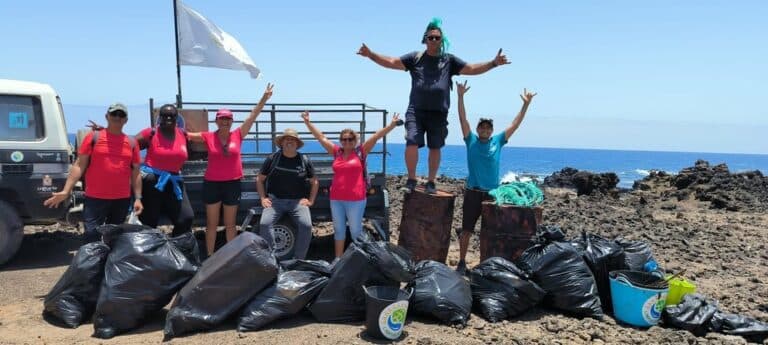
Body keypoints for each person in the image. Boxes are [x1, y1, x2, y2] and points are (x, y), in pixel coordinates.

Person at [357, 17, 510, 194]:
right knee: (412, 142)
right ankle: (411, 179)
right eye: (431, 37)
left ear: (442, 40)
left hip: (439, 112)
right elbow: (391, 62)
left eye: (437, 38)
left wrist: (493, 63)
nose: (434, 40)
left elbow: (472, 68)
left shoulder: (449, 61)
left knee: (435, 146)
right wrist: (371, 55)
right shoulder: (415, 58)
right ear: (425, 39)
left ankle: (431, 181)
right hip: (416, 110)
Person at [454, 81, 536, 275]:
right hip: (473, 192)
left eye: (487, 127)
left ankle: (487, 264)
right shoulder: (471, 140)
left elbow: (514, 124)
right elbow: (462, 119)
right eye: (481, 127)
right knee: (466, 229)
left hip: (492, 195)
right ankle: (462, 262)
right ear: (477, 129)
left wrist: (525, 104)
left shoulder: (498, 141)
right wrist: (460, 96)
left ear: (491, 130)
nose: (484, 130)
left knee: (491, 232)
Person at [187, 83, 274, 256]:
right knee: (211, 225)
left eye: (228, 118)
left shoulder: (238, 134)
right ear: (216, 121)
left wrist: (264, 98)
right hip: (212, 184)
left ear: (231, 121)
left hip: (232, 184)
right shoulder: (208, 136)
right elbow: (185, 135)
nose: (225, 121)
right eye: (222, 118)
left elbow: (253, 116)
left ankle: (231, 259)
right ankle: (210, 257)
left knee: (230, 225)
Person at [302, 111, 401, 259]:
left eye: (350, 139)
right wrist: (308, 123)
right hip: (336, 199)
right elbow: (321, 137)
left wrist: (392, 125)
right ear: (341, 140)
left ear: (355, 140)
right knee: (339, 230)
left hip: (356, 199)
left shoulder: (361, 151)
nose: (347, 142)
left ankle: (359, 261)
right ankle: (338, 260)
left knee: (356, 231)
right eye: (344, 139)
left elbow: (376, 137)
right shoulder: (336, 152)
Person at [43, 103, 143, 242]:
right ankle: (93, 263)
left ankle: (108, 263)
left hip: (121, 199)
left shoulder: (132, 142)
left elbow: (136, 172)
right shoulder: (93, 137)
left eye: (121, 115)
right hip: (95, 198)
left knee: (114, 238)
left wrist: (138, 198)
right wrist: (66, 191)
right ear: (107, 116)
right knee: (91, 236)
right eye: (114, 114)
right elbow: (78, 165)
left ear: (126, 120)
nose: (117, 117)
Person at [256, 128, 319, 260]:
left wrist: (311, 201)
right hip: (275, 201)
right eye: (287, 139)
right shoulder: (273, 158)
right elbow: (259, 179)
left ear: (297, 143)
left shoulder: (304, 159)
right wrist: (263, 198)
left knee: (306, 226)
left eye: (293, 140)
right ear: (282, 143)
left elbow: (314, 182)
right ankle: (271, 258)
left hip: (298, 202)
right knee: (264, 224)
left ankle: (298, 259)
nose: (290, 142)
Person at [134, 104, 194, 237]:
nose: (168, 118)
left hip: (174, 181)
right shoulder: (151, 133)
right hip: (152, 181)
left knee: (186, 218)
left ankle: (173, 247)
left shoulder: (183, 135)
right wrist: (139, 163)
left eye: (172, 115)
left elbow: (187, 153)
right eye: (164, 115)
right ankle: (150, 252)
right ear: (159, 117)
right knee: (149, 222)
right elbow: (130, 145)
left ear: (176, 118)